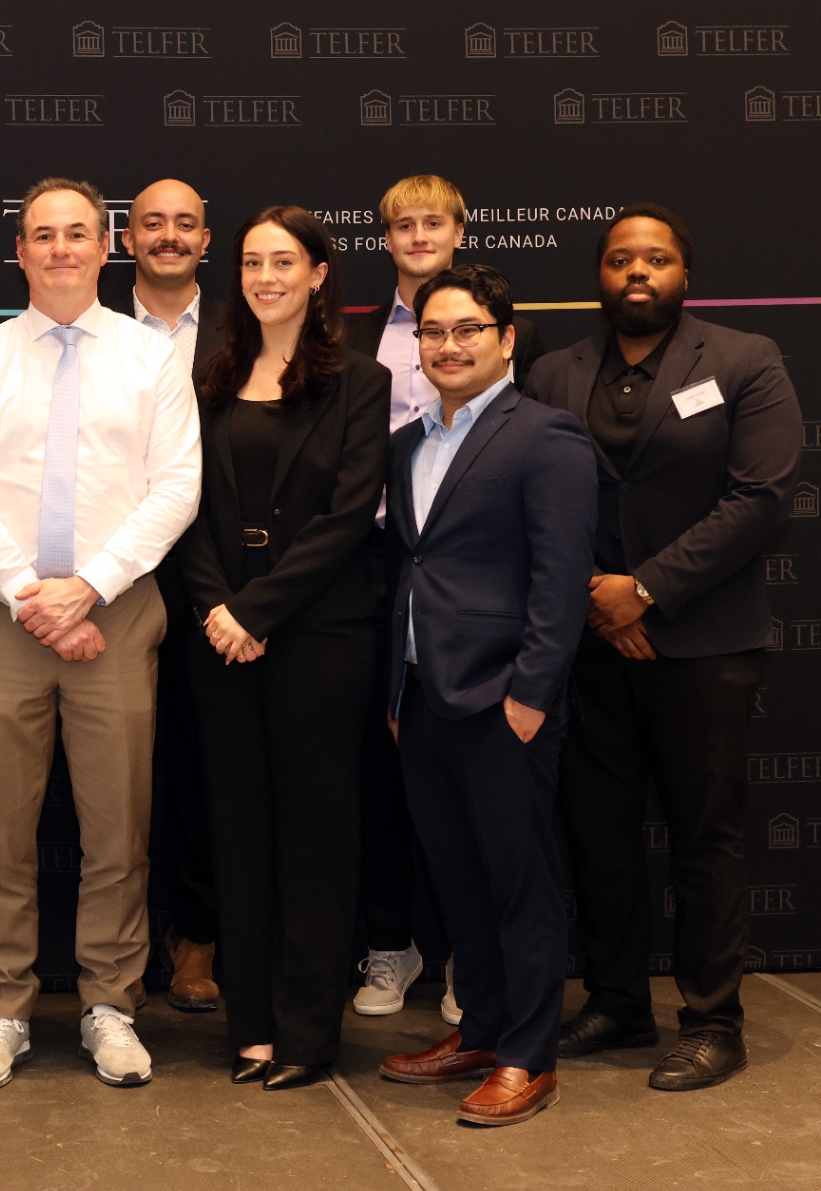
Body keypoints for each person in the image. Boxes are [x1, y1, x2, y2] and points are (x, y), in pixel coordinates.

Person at [529, 205, 802, 1091]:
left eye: (655, 259)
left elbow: (759, 497)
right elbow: (529, 498)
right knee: (599, 835)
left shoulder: (742, 360)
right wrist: (594, 601)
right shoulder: (554, 371)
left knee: (704, 837)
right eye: (619, 260)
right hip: (588, 640)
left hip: (704, 645)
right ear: (597, 277)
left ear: (686, 274)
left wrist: (641, 590)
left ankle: (713, 1019)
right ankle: (615, 1000)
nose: (636, 272)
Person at [0, 177, 200, 1090]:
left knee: (116, 826)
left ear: (104, 248)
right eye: (42, 234)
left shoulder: (151, 358)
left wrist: (86, 588)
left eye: (76, 234)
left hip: (118, 613)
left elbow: (176, 487)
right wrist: (31, 595)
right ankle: (3, 1006)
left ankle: (110, 1004)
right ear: (19, 251)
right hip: (5, 616)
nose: (59, 249)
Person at [171, 206, 389, 1090]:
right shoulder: (210, 376)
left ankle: (305, 1031)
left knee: (315, 834)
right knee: (240, 831)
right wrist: (220, 608)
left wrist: (259, 609)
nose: (266, 277)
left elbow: (347, 517)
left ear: (319, 273)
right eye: (254, 262)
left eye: (284, 261)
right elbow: (178, 500)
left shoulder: (359, 382)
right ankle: (250, 1024)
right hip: (220, 636)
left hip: (318, 635)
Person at [378, 264, 596, 1127]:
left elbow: (561, 577)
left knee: (519, 885)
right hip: (424, 697)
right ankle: (483, 1030)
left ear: (506, 338)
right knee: (458, 881)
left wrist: (531, 694)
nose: (449, 345)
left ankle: (527, 1056)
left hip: (505, 701)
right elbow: (413, 566)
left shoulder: (547, 436)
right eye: (434, 331)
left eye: (468, 329)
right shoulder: (409, 444)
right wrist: (397, 689)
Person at [344, 175, 546, 1021]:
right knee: (403, 796)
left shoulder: (521, 387)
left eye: (435, 221)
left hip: (482, 609)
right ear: (383, 238)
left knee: (501, 833)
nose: (419, 233)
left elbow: (551, 560)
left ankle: (493, 994)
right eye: (403, 223)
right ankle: (402, 948)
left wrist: (533, 686)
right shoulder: (359, 351)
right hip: (386, 583)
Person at [104, 178, 222, 1014]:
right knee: (109, 775)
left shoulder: (245, 331)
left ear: (207, 241)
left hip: (215, 580)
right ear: (128, 239)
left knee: (198, 769)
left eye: (185, 224)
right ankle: (114, 952)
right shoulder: (93, 335)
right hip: (111, 577)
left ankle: (197, 944)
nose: (169, 236)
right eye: (153, 223)